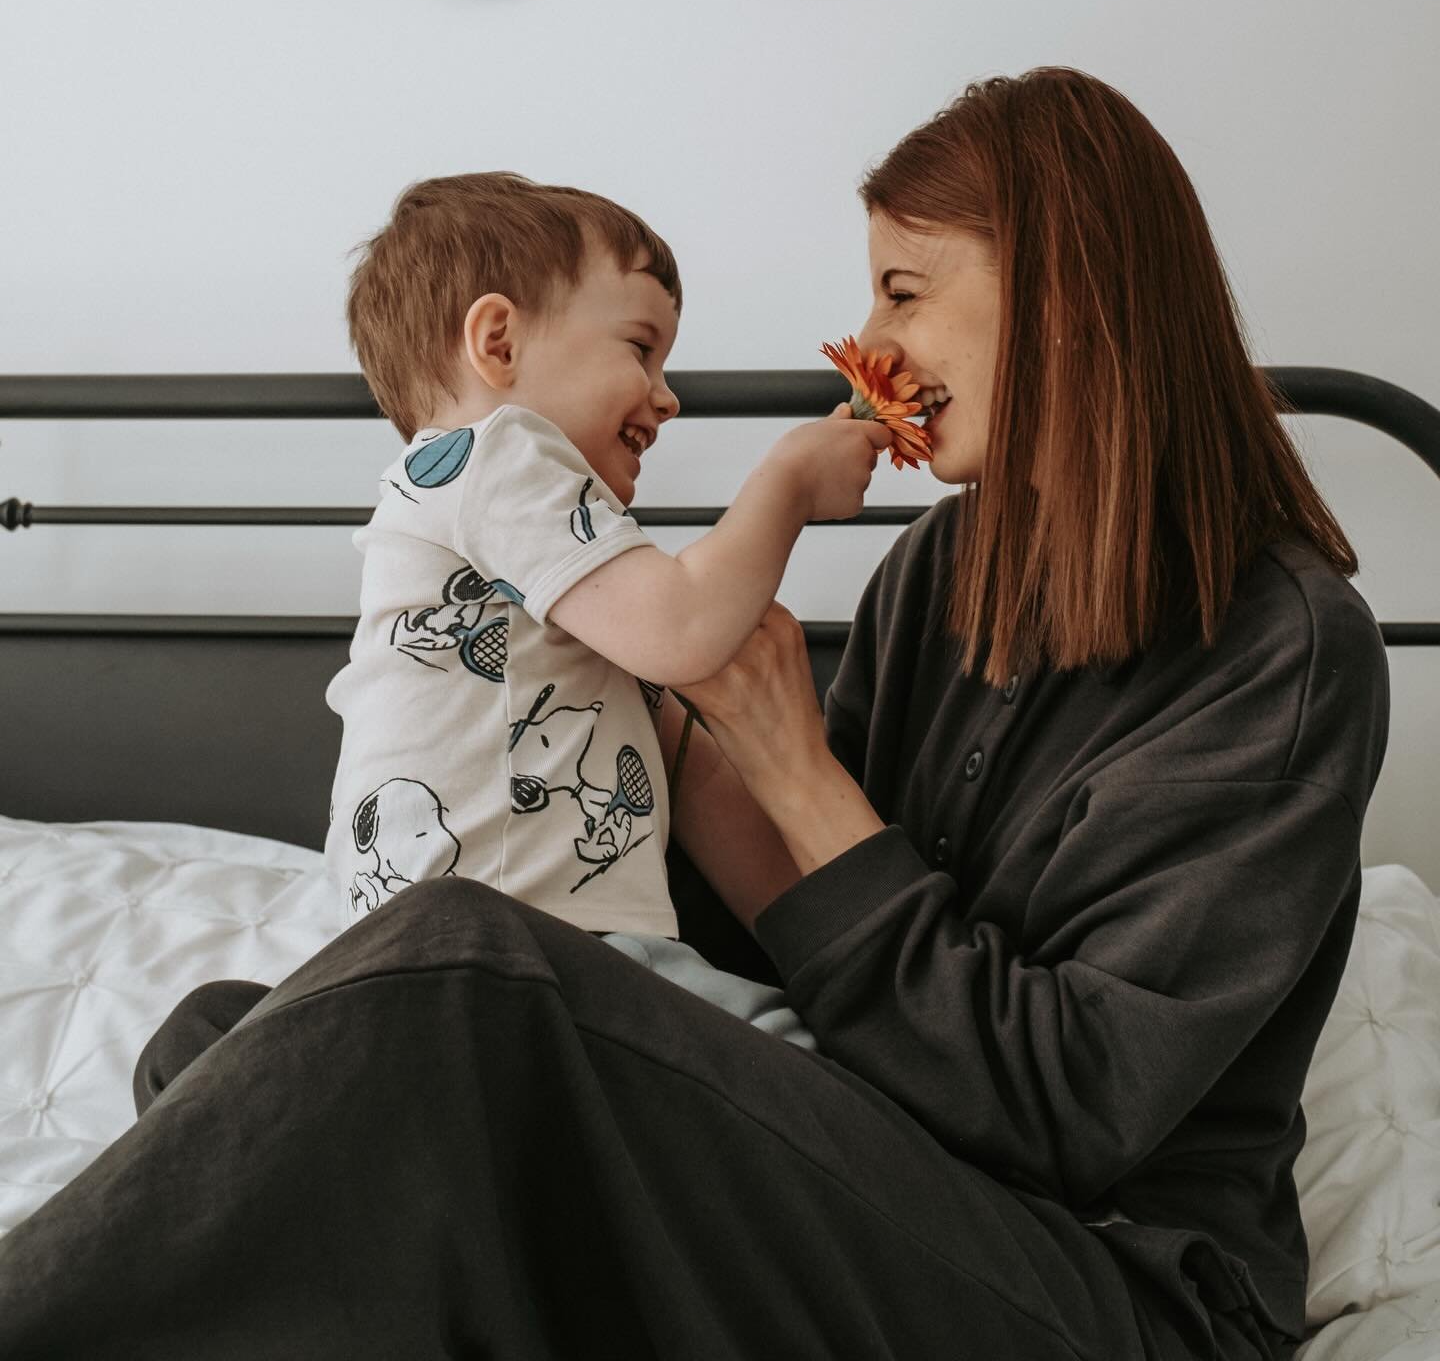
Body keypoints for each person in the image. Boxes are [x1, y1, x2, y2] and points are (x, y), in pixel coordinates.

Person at [0, 67, 1387, 1361]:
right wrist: (659, 724)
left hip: (1102, 1278)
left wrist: (792, 764)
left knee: (449, 977)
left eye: (903, 293)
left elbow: (1061, 1112)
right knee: (236, 1042)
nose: (870, 347)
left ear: (1068, 292)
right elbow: (790, 943)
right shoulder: (943, 570)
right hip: (879, 1157)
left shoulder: (1285, 648)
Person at [318, 169, 892, 1051]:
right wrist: (789, 483)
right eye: (640, 348)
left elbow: (701, 776)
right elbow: (682, 629)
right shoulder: (492, 454)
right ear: (498, 343)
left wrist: (839, 949)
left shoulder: (546, 581)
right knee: (807, 1071)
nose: (668, 395)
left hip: (507, 961)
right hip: (523, 953)